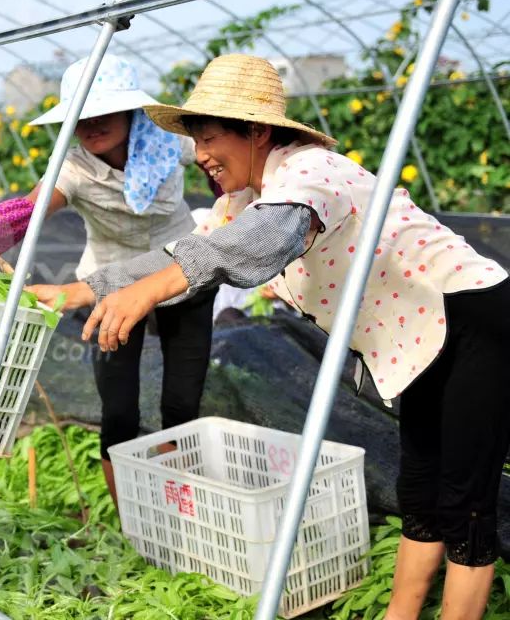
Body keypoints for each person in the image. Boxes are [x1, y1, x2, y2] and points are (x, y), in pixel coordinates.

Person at [31, 54, 509, 620]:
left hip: (471, 322)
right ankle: (399, 614)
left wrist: (153, 290)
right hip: (414, 344)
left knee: (466, 502)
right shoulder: (241, 201)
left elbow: (270, 236)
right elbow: (177, 254)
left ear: (257, 132)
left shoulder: (312, 172)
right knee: (420, 483)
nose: (201, 156)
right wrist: (77, 291)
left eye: (210, 140)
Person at [0, 54, 217, 506]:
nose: (91, 125)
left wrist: (237, 210)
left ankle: (187, 506)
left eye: (104, 111)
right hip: (107, 287)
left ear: (131, 110)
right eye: (81, 116)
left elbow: (219, 159)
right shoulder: (73, 168)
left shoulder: (169, 142)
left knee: (181, 403)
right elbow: (23, 214)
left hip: (180, 277)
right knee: (118, 408)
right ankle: (131, 519)